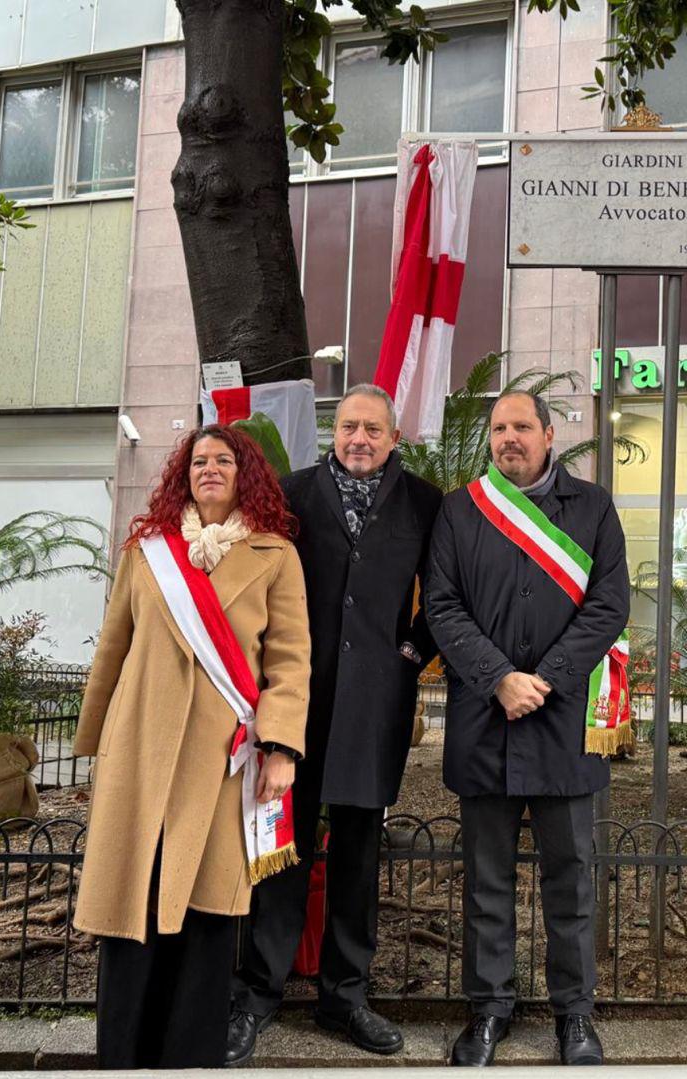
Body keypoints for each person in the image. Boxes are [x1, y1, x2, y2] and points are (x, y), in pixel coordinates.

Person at [72, 424, 311, 1070]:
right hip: (139, 749)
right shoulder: (147, 550)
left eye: (223, 459)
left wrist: (283, 748)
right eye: (199, 460)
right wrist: (93, 744)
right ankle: (122, 1055)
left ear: (245, 473)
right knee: (134, 903)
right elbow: (112, 646)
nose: (210, 468)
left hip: (223, 761)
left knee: (205, 913)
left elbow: (289, 660)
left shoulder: (275, 554)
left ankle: (187, 1057)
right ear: (184, 473)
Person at [228, 385, 443, 1061]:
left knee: (357, 855)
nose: (359, 438)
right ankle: (256, 993)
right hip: (297, 700)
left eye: (373, 429)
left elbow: (447, 589)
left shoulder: (425, 502)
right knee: (280, 848)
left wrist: (412, 652)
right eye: (349, 425)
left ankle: (344, 995)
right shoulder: (291, 493)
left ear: (393, 437)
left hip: (377, 703)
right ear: (334, 430)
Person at [425, 391, 630, 1067]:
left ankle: (575, 1015)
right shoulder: (460, 511)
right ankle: (488, 1011)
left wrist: (546, 675)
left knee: (571, 879)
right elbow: (443, 608)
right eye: (499, 428)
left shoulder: (594, 508)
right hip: (485, 721)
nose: (509, 437)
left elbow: (609, 605)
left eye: (522, 427)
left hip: (564, 724)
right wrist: (499, 678)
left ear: (549, 433)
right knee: (486, 881)